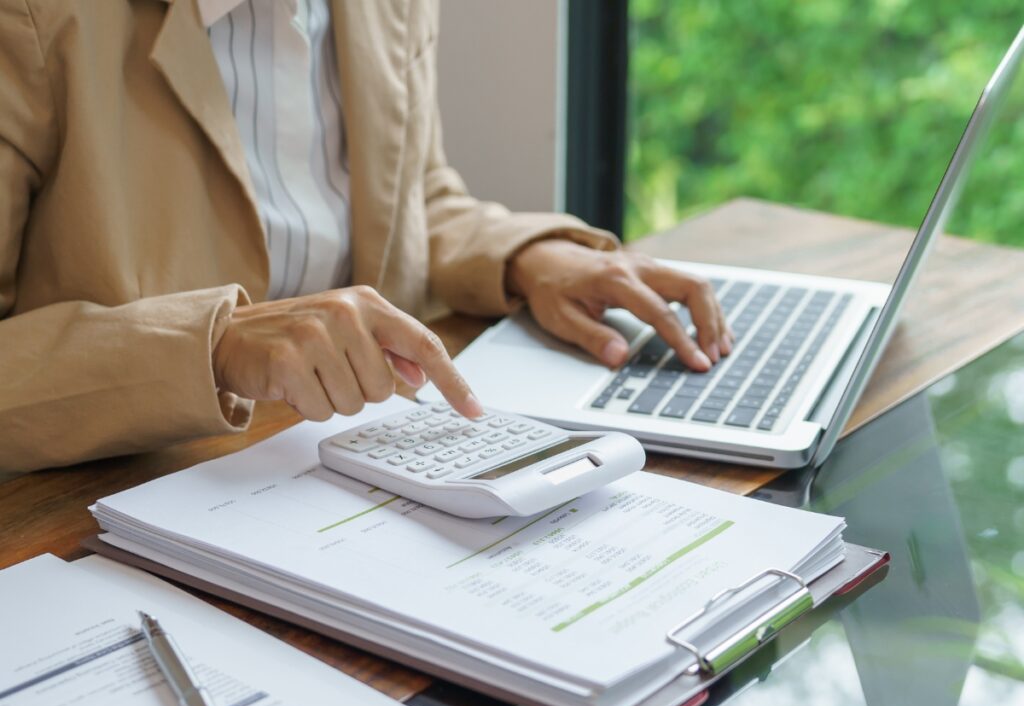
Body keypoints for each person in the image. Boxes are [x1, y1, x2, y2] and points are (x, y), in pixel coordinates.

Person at [0, 0, 731, 473]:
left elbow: (416, 195)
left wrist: (527, 257)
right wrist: (211, 346)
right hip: (128, 493)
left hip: (354, 460)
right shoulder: (32, 19)